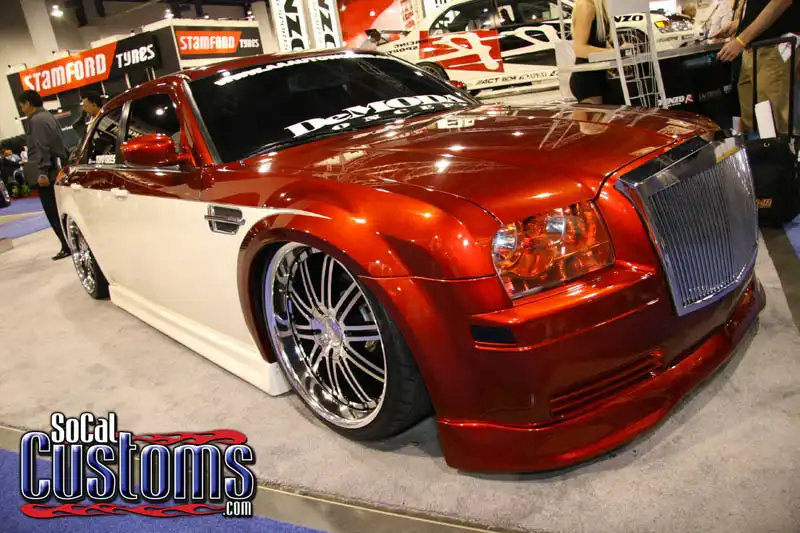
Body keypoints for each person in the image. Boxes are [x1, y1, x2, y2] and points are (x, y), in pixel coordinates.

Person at [717, 0, 798, 135]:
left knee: (773, 122)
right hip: (752, 48)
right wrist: (741, 24)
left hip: (776, 45)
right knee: (751, 120)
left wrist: (741, 39)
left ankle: (780, 149)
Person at [18, 90, 71, 260]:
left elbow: (41, 147)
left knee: (52, 210)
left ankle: (66, 245)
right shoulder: (48, 116)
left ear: (28, 103)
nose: (22, 109)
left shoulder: (36, 121)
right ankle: (69, 242)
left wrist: (42, 172)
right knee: (60, 208)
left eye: (22, 106)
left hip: (48, 172)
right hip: (56, 167)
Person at [569, 0, 614, 103]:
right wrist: (613, 53)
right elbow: (579, 49)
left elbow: (601, 42)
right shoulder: (585, 6)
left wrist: (617, 51)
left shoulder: (599, 8)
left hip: (600, 75)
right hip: (588, 79)